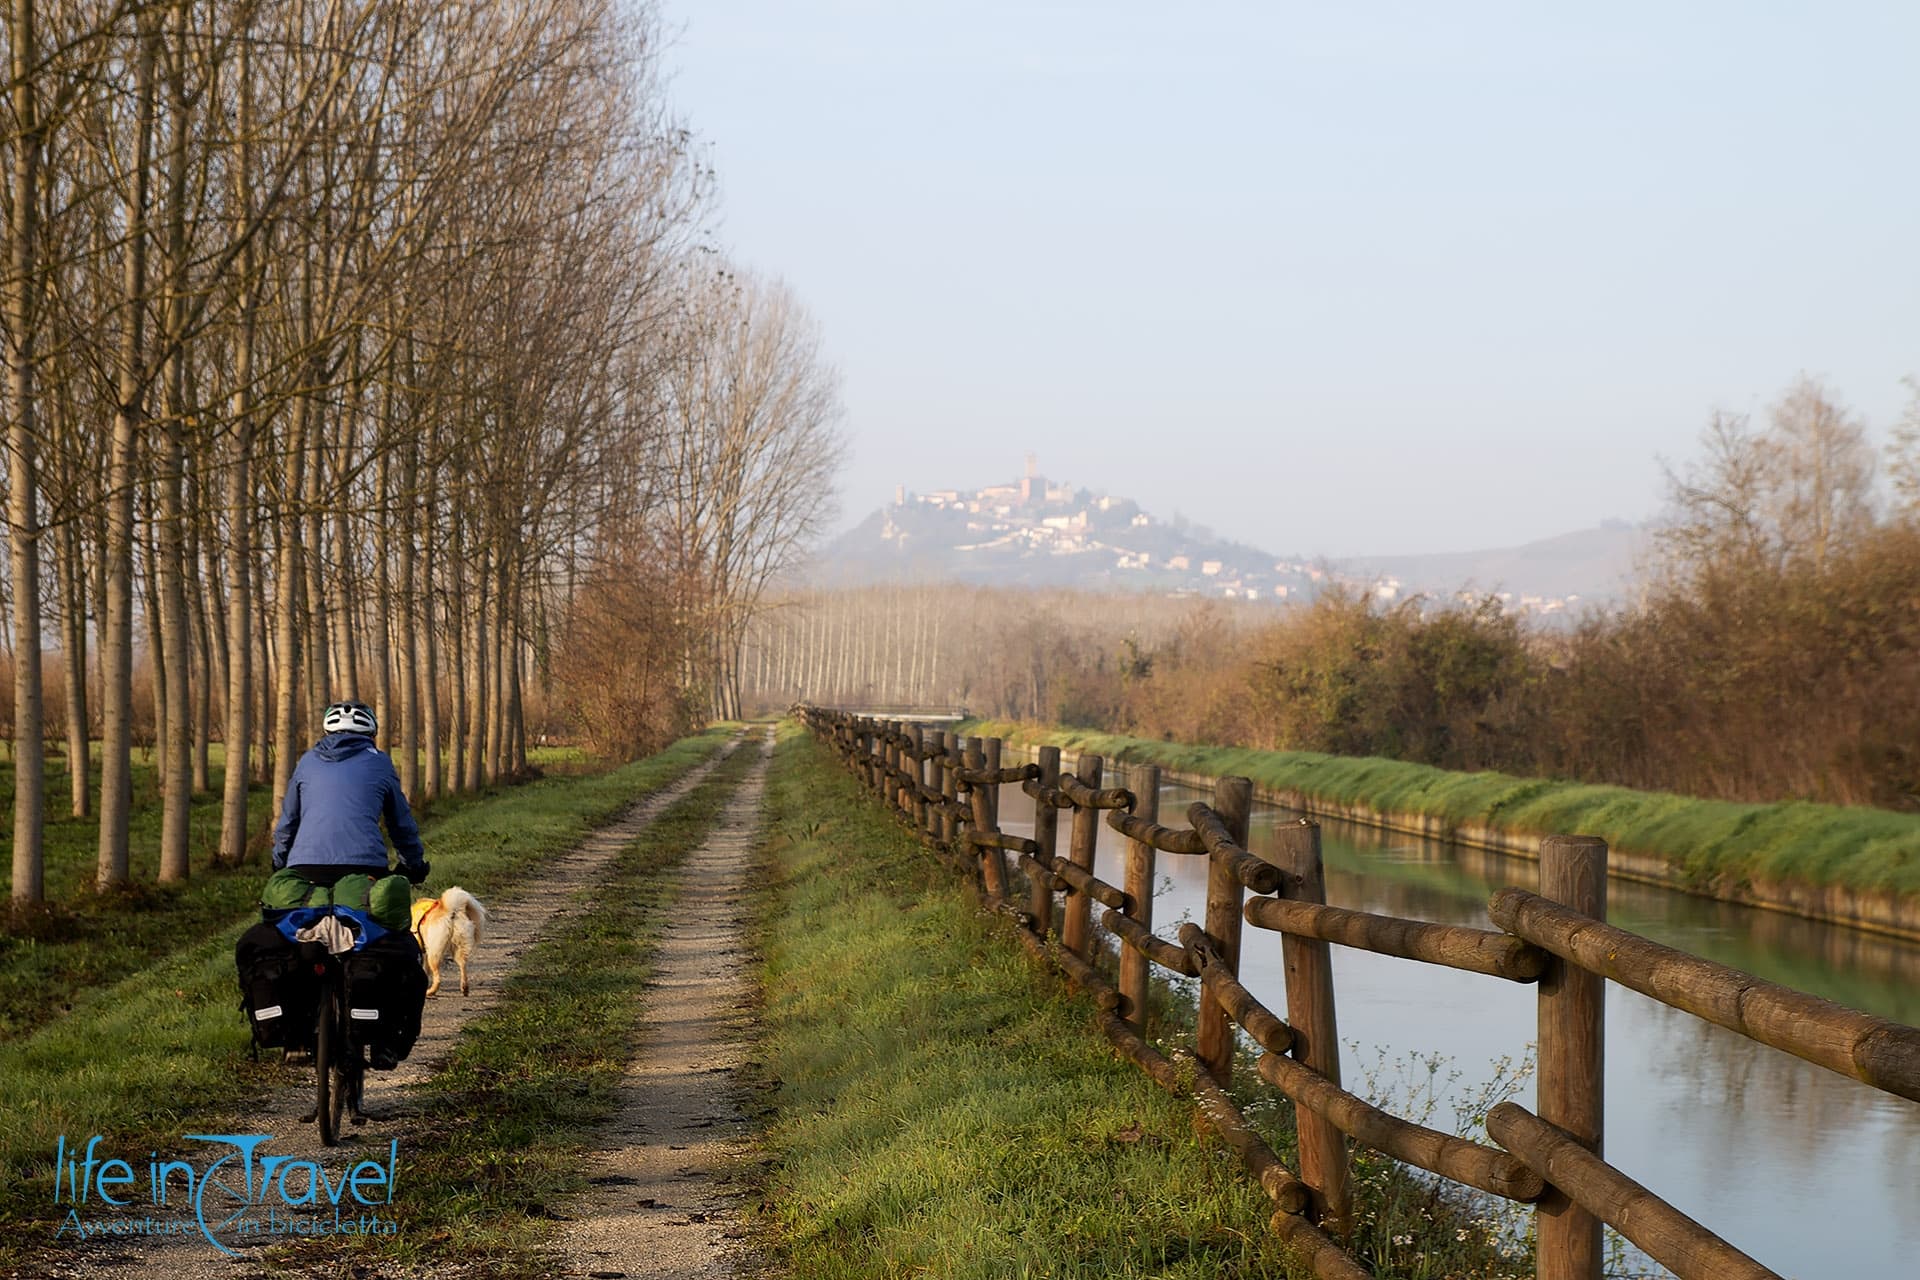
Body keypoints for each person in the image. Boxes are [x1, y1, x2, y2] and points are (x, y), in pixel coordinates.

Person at [272, 700, 430, 887]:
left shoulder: (307, 761)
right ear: (371, 734)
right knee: (383, 912)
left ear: (327, 732)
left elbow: (288, 822)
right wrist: (413, 865)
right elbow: (400, 823)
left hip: (305, 867)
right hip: (365, 866)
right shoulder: (380, 763)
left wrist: (278, 862)